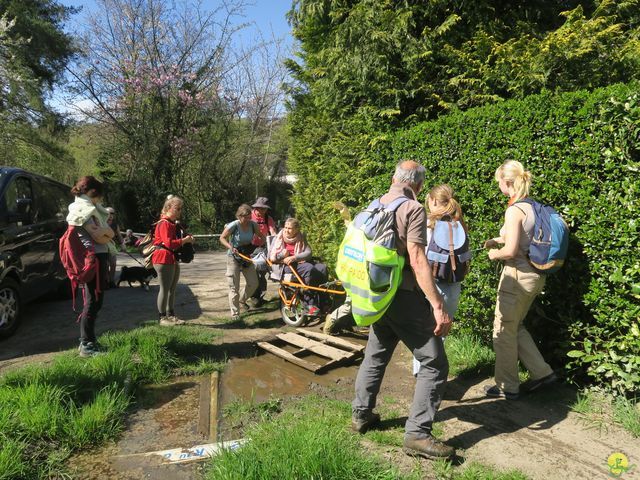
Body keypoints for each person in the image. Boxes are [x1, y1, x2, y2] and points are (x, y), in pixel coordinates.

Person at [351, 160, 455, 460]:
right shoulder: (412, 209)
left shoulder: (372, 206)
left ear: (394, 178)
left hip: (378, 296)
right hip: (404, 297)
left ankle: (361, 414)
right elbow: (418, 259)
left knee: (376, 354)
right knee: (434, 362)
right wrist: (438, 305)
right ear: (418, 185)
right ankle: (418, 434)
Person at [483, 160, 557, 399]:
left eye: (499, 183)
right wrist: (498, 239)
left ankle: (507, 387)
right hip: (535, 276)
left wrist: (495, 253)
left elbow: (512, 250)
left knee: (503, 329)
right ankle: (543, 373)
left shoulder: (514, 209)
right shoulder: (531, 207)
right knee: (517, 326)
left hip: (517, 277)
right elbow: (524, 239)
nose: (498, 187)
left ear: (508, 182)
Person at [412, 184, 467, 375]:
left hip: (431, 284)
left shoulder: (428, 223)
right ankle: (436, 374)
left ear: (433, 201)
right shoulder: (459, 223)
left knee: (425, 334)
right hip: (453, 284)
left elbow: (419, 257)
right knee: (441, 332)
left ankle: (424, 376)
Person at [66, 176, 114, 357]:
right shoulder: (83, 210)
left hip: (95, 258)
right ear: (93, 193)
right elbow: (101, 235)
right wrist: (109, 233)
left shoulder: (83, 208)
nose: (100, 200)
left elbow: (104, 233)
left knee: (94, 300)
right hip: (94, 259)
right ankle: (86, 345)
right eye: (99, 196)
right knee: (93, 301)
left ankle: (89, 341)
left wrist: (107, 233)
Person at [269, 217, 328, 316]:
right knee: (309, 268)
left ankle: (324, 302)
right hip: (285, 266)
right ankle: (309, 305)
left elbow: (308, 252)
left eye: (290, 228)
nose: (286, 230)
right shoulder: (279, 237)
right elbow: (272, 258)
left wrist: (295, 257)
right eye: (285, 227)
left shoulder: (300, 237)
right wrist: (283, 255)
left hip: (298, 262)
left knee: (322, 268)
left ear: (297, 229)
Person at [152, 195, 194, 326]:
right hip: (163, 258)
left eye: (181, 209)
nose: (179, 211)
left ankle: (171, 315)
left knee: (172, 289)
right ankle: (162, 318)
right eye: (177, 208)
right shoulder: (164, 223)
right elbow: (169, 243)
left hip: (171, 257)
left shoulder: (172, 224)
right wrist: (184, 240)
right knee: (164, 289)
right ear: (169, 208)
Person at [220, 204, 265, 321]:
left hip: (246, 256)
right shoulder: (234, 225)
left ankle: (242, 300)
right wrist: (230, 247)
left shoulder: (253, 225)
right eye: (245, 217)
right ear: (239, 216)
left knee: (254, 283)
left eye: (249, 217)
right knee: (234, 286)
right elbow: (222, 238)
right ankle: (235, 314)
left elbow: (262, 236)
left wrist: (261, 245)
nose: (247, 219)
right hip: (233, 257)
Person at [250, 197, 277, 306]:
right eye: (260, 209)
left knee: (261, 272)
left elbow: (273, 232)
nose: (262, 211)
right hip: (249, 247)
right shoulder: (249, 217)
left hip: (262, 247)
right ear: (256, 208)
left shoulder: (268, 219)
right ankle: (254, 297)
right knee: (253, 273)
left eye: (264, 209)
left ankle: (259, 296)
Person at [105, 207, 124, 288]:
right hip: (101, 244)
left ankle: (111, 281)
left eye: (112, 213)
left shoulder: (115, 224)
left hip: (111, 245)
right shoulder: (100, 222)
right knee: (105, 265)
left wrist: (122, 244)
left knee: (113, 263)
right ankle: (105, 281)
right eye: (109, 213)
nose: (110, 215)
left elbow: (119, 235)